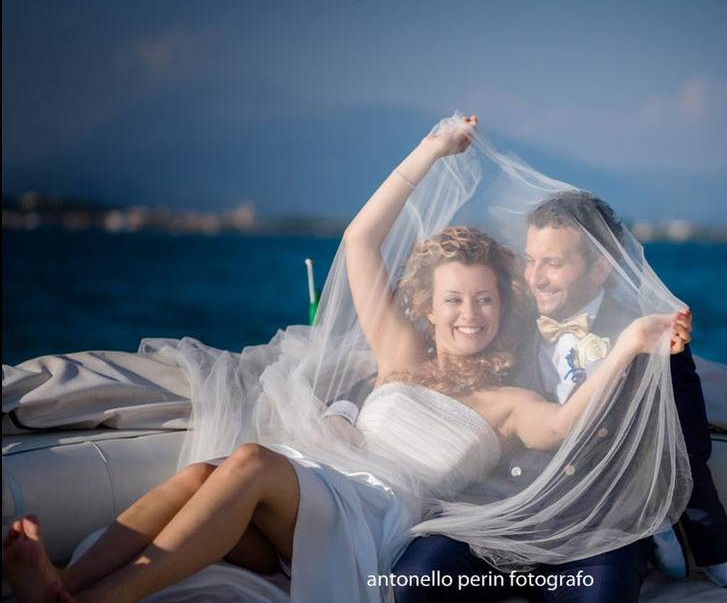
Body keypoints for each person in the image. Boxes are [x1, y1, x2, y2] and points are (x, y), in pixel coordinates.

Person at [2, 115, 692, 603]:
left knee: (246, 462)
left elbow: (566, 423)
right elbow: (361, 243)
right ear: (429, 305)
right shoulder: (402, 353)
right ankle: (71, 587)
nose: (469, 315)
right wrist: (427, 153)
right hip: (308, 493)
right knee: (203, 476)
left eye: (484, 302)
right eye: (454, 300)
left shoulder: (508, 401)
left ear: (504, 307)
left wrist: (632, 342)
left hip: (371, 521)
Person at [392, 191, 727, 602]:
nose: (535, 277)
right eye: (530, 260)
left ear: (599, 269)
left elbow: (684, 454)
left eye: (553, 263)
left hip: (596, 534)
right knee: (409, 587)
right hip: (498, 519)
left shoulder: (653, 343)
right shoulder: (502, 312)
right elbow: (435, 312)